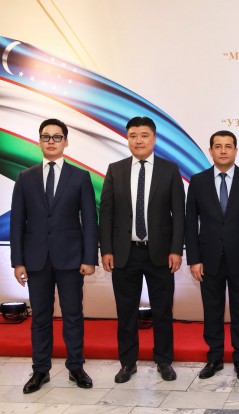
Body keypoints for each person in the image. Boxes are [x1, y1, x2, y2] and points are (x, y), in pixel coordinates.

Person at [10, 119, 98, 393]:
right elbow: (17, 222)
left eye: (57, 137)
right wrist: (18, 261)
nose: (51, 141)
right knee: (40, 317)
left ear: (66, 142)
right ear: (39, 141)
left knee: (73, 314)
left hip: (71, 259)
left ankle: (76, 367)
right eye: (46, 136)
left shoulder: (80, 177)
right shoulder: (25, 177)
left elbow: (90, 221)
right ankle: (40, 370)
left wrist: (89, 258)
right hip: (36, 260)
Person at [99, 116, 185, 383]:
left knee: (162, 311)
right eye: (133, 135)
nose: (138, 140)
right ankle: (127, 363)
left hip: (160, 252)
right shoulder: (115, 170)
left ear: (154, 139)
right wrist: (106, 249)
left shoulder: (170, 170)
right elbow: (107, 213)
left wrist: (177, 249)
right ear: (127, 139)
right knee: (126, 312)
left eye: (144, 135)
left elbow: (179, 214)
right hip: (125, 253)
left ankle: (164, 361)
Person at [185, 130, 239, 381]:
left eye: (228, 146)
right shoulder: (198, 181)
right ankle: (214, 358)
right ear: (210, 151)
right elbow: (190, 223)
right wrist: (194, 259)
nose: (223, 150)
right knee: (212, 311)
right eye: (218, 146)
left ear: (236, 150)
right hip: (208, 259)